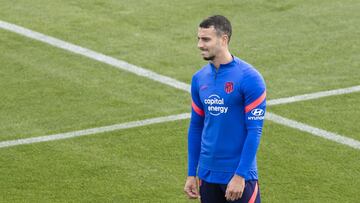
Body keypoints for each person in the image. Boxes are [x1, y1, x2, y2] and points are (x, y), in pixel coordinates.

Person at [184, 15, 266, 203]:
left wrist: (240, 175)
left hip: (238, 177)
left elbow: (255, 131)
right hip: (207, 176)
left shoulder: (250, 78)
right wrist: (191, 173)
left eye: (206, 39)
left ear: (224, 39)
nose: (199, 44)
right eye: (199, 39)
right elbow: (196, 127)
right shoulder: (199, 78)